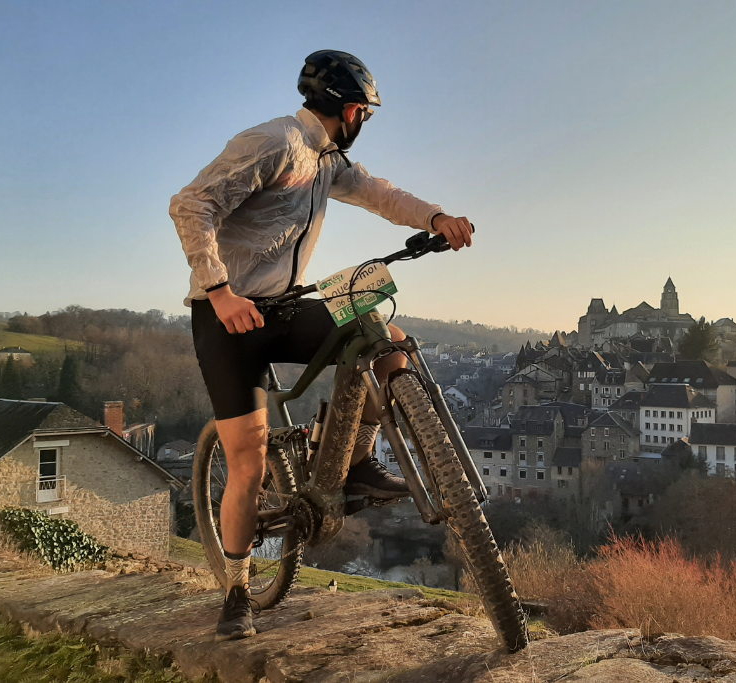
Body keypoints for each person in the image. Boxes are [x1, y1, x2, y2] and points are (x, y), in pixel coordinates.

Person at [169, 50, 473, 642]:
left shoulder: (329, 161)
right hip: (227, 316)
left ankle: (354, 458)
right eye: (365, 110)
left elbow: (381, 193)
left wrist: (435, 217)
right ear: (348, 107)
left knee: (381, 334)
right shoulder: (276, 142)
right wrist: (219, 290)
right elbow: (191, 204)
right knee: (248, 466)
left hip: (283, 307)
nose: (366, 120)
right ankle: (236, 594)